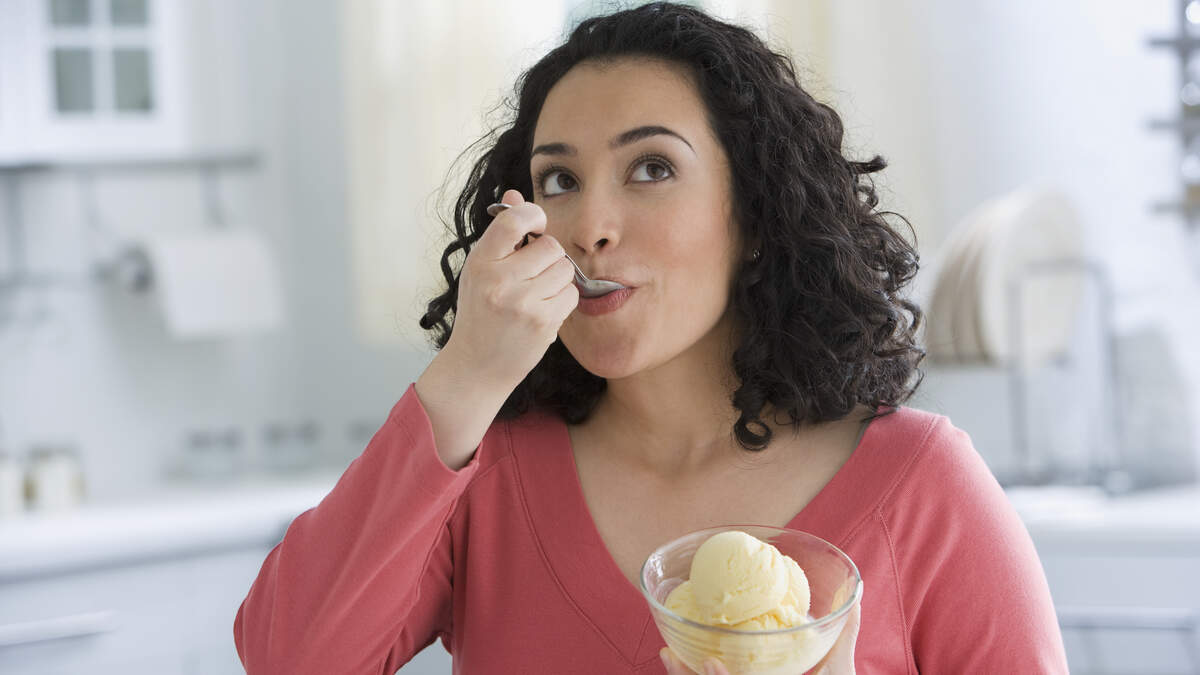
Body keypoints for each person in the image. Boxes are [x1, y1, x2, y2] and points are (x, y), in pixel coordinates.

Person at [233, 3, 1069, 673]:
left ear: (754, 211)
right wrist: (464, 378)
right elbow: (287, 657)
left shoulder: (924, 490)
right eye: (558, 180)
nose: (589, 224)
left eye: (652, 168)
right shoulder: (491, 476)